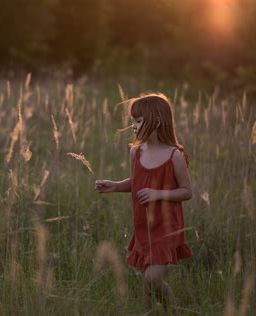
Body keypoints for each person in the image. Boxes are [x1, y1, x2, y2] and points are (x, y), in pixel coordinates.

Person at [95, 93, 192, 314]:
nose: (133, 126)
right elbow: (137, 182)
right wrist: (115, 185)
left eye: (138, 121)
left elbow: (187, 192)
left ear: (156, 121)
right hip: (143, 226)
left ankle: (173, 310)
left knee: (152, 277)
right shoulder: (136, 152)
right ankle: (149, 312)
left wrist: (158, 194)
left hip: (166, 227)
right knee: (147, 284)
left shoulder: (174, 155)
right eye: (132, 122)